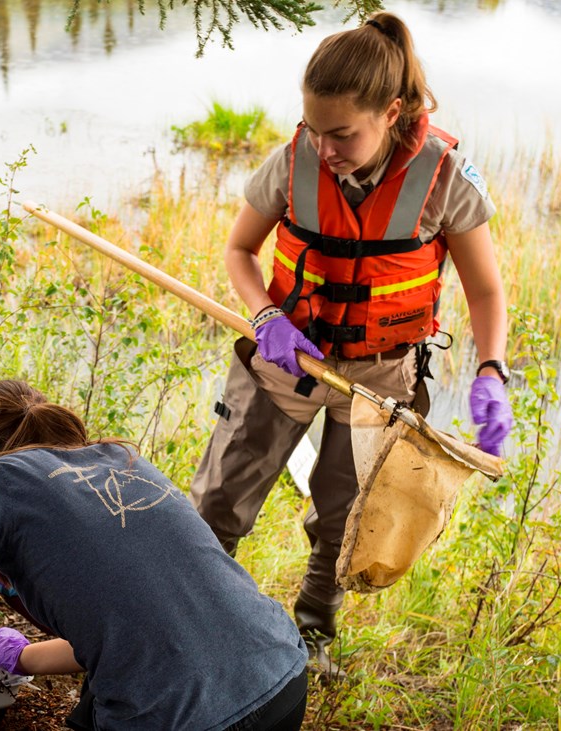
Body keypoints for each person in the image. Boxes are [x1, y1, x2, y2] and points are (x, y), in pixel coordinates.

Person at [190, 12, 514, 677]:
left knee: (345, 512)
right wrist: (265, 315)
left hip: (379, 374)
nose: (325, 148)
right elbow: (238, 250)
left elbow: (485, 290)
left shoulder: (445, 176)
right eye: (314, 129)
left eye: (342, 134)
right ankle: (193, 614)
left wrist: (491, 370)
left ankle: (312, 632)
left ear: (392, 112)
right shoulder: (293, 161)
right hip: (286, 357)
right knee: (222, 496)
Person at [0, 380, 309, 731]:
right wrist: (23, 657)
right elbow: (137, 626)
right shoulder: (127, 461)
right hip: (281, 676)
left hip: (177, 717)